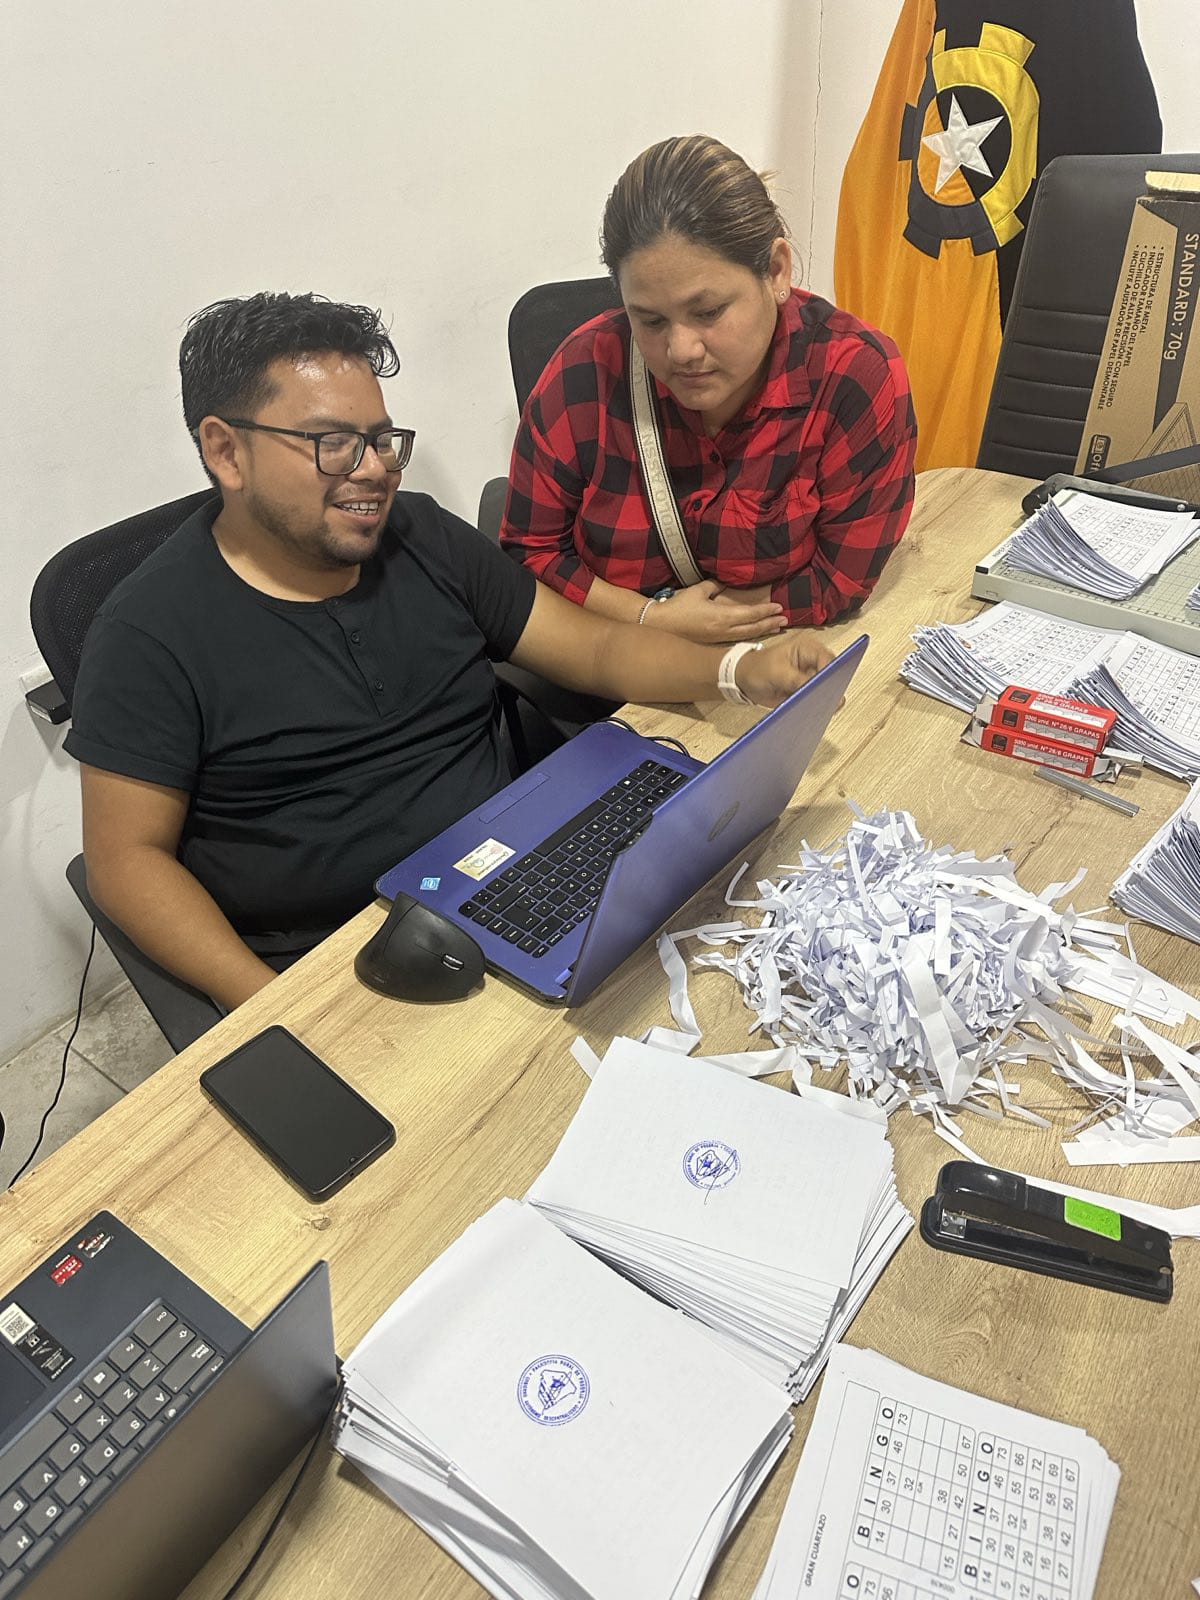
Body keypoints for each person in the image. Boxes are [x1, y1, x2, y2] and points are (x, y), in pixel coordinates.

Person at [65, 292, 836, 1014]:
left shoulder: (420, 535)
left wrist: (738, 671)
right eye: (334, 444)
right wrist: (274, 1013)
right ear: (226, 451)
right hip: (343, 957)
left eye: (381, 440)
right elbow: (127, 862)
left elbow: (595, 648)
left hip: (515, 873)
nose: (374, 469)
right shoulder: (149, 634)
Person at [500, 135, 918, 645]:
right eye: (650, 320)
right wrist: (650, 619)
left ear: (776, 271)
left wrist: (718, 628)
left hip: (773, 651)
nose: (681, 351)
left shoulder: (854, 376)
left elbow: (839, 580)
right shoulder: (583, 371)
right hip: (612, 655)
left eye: (708, 312)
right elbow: (531, 551)